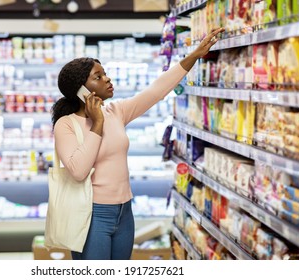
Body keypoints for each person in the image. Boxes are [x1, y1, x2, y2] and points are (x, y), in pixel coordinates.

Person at [51, 27, 224, 260]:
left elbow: (157, 90)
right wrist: (98, 123)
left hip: (125, 212)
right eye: (98, 76)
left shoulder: (116, 111)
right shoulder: (66, 124)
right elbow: (79, 171)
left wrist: (194, 55)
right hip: (91, 215)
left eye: (105, 73)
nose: (107, 79)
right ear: (82, 91)